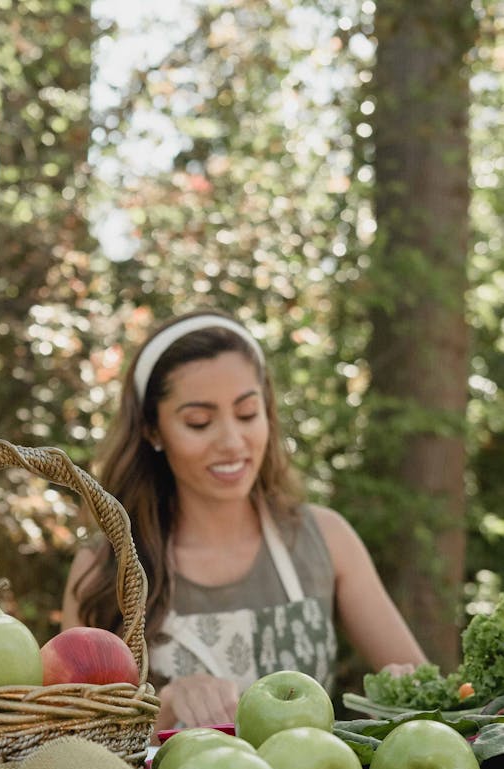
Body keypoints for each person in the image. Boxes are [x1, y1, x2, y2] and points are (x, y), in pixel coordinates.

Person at [60, 309, 427, 733]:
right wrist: (167, 703)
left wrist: (405, 692)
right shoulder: (103, 569)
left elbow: (427, 697)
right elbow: (75, 739)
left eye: (248, 413)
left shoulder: (326, 539)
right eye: (199, 421)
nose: (232, 443)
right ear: (152, 431)